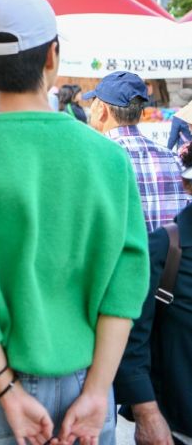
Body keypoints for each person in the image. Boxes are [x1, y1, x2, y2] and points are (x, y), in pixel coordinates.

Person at [0, 0, 149, 444]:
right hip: (89, 375)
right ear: (53, 56)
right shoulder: (107, 159)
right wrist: (99, 390)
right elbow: (125, 284)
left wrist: (7, 390)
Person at [115, 141, 192, 445]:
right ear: (187, 184)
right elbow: (131, 338)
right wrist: (147, 412)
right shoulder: (165, 248)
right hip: (179, 427)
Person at [86, 71, 188, 233]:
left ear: (101, 109)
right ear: (140, 112)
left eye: (93, 102)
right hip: (171, 257)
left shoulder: (94, 160)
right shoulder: (174, 160)